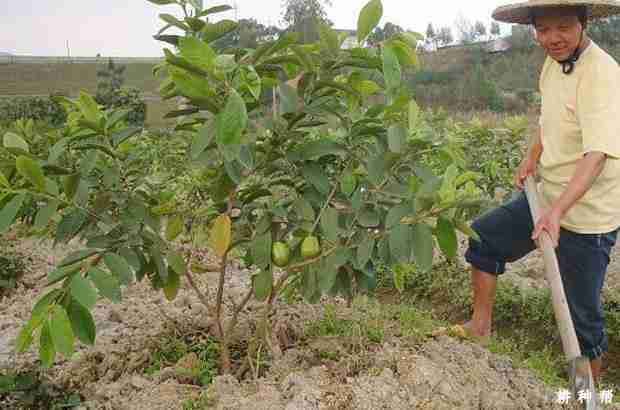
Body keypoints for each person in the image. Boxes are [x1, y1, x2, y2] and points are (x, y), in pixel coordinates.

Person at [460, 0, 620, 382]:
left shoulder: (602, 74)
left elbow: (596, 154)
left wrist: (557, 212)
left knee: (581, 318)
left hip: (588, 216)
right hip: (548, 197)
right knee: (483, 241)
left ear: (582, 23)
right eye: (543, 30)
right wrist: (532, 156)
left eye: (563, 27)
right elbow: (549, 119)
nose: (553, 38)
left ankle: (588, 394)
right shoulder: (552, 64)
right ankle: (479, 327)